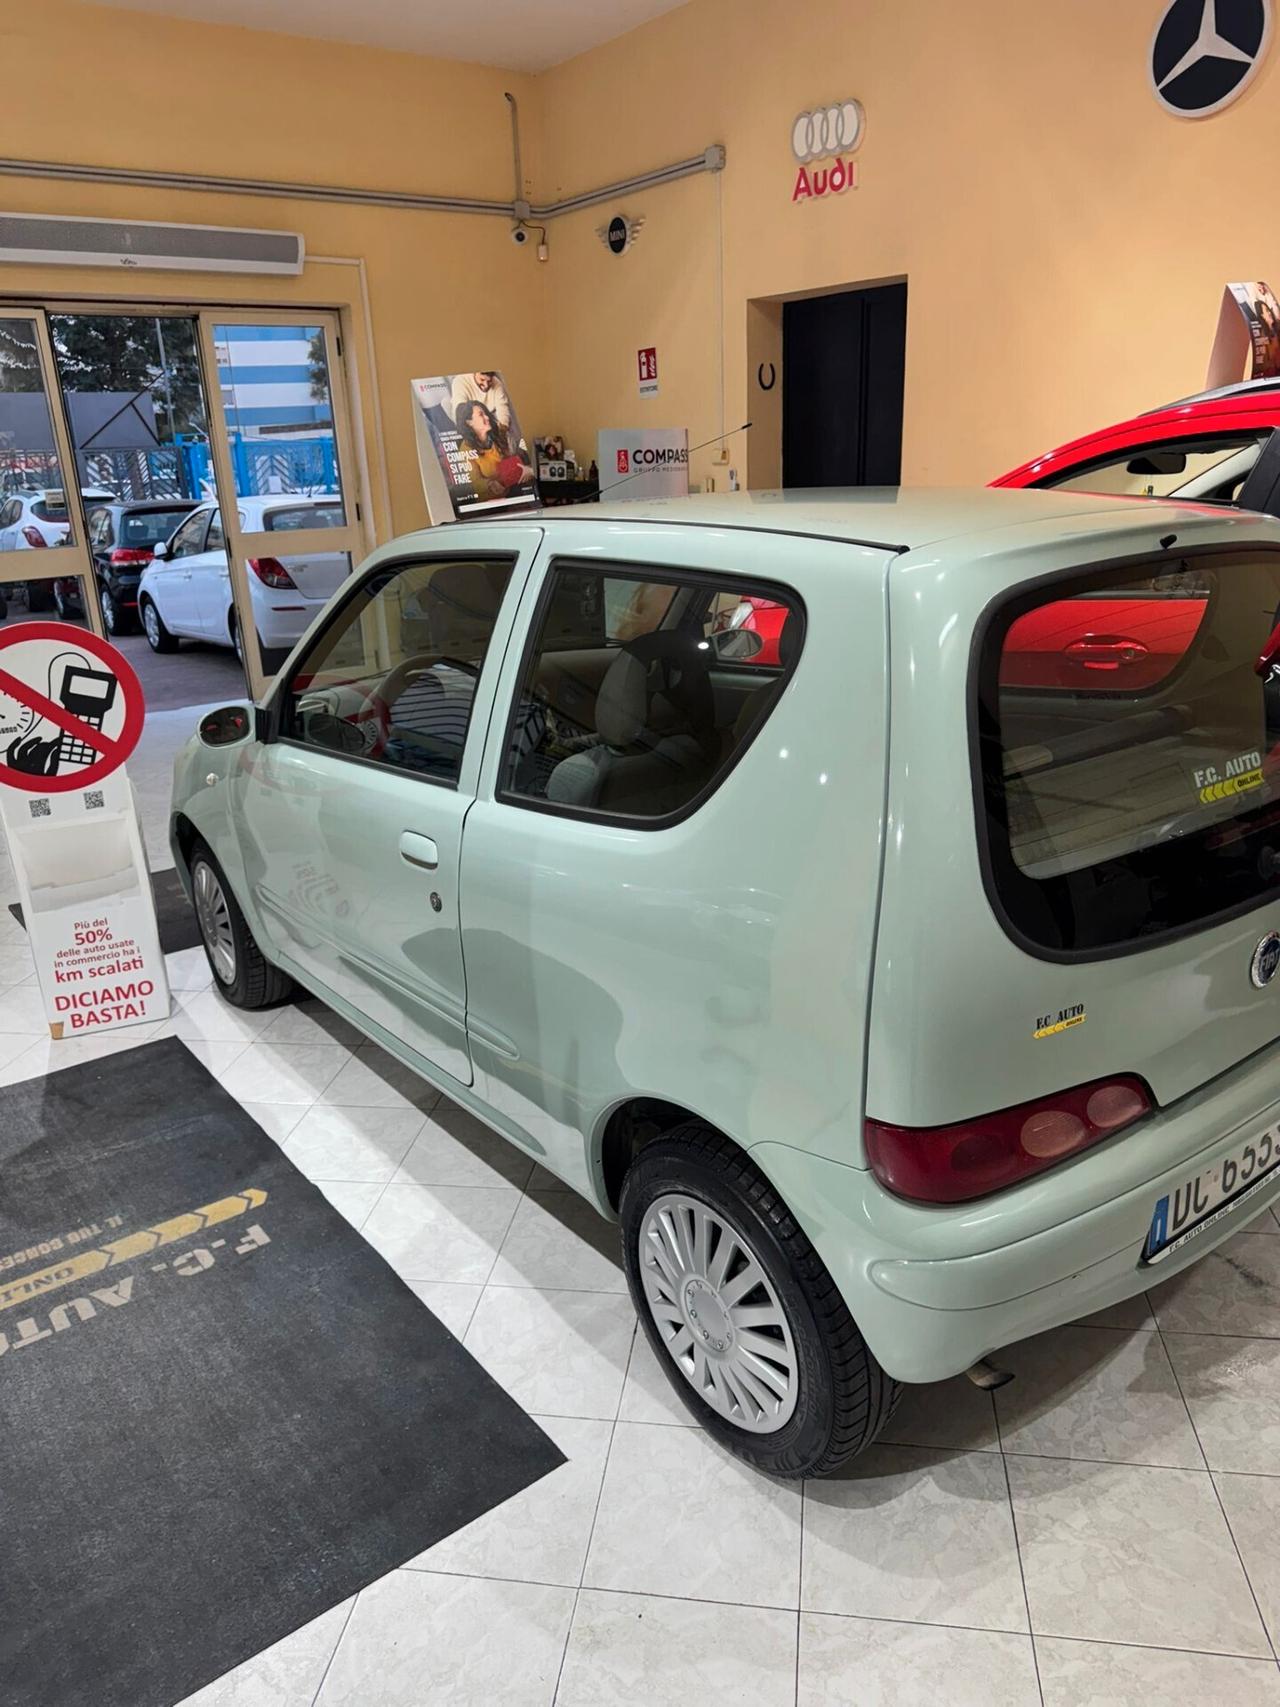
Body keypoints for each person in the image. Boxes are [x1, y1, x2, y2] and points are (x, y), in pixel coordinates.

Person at [454, 399, 533, 501]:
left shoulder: (498, 433)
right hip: (491, 500)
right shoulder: (465, 449)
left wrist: (526, 469)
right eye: (481, 415)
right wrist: (489, 484)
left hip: (514, 488)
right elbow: (475, 482)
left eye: (485, 413)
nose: (487, 417)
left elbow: (515, 459)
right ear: (469, 422)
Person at [449, 372, 513, 435]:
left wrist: (503, 426)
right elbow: (460, 412)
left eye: (489, 381)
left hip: (485, 416)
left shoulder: (497, 384)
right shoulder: (460, 381)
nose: (486, 385)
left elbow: (502, 407)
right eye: (482, 380)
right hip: (463, 417)